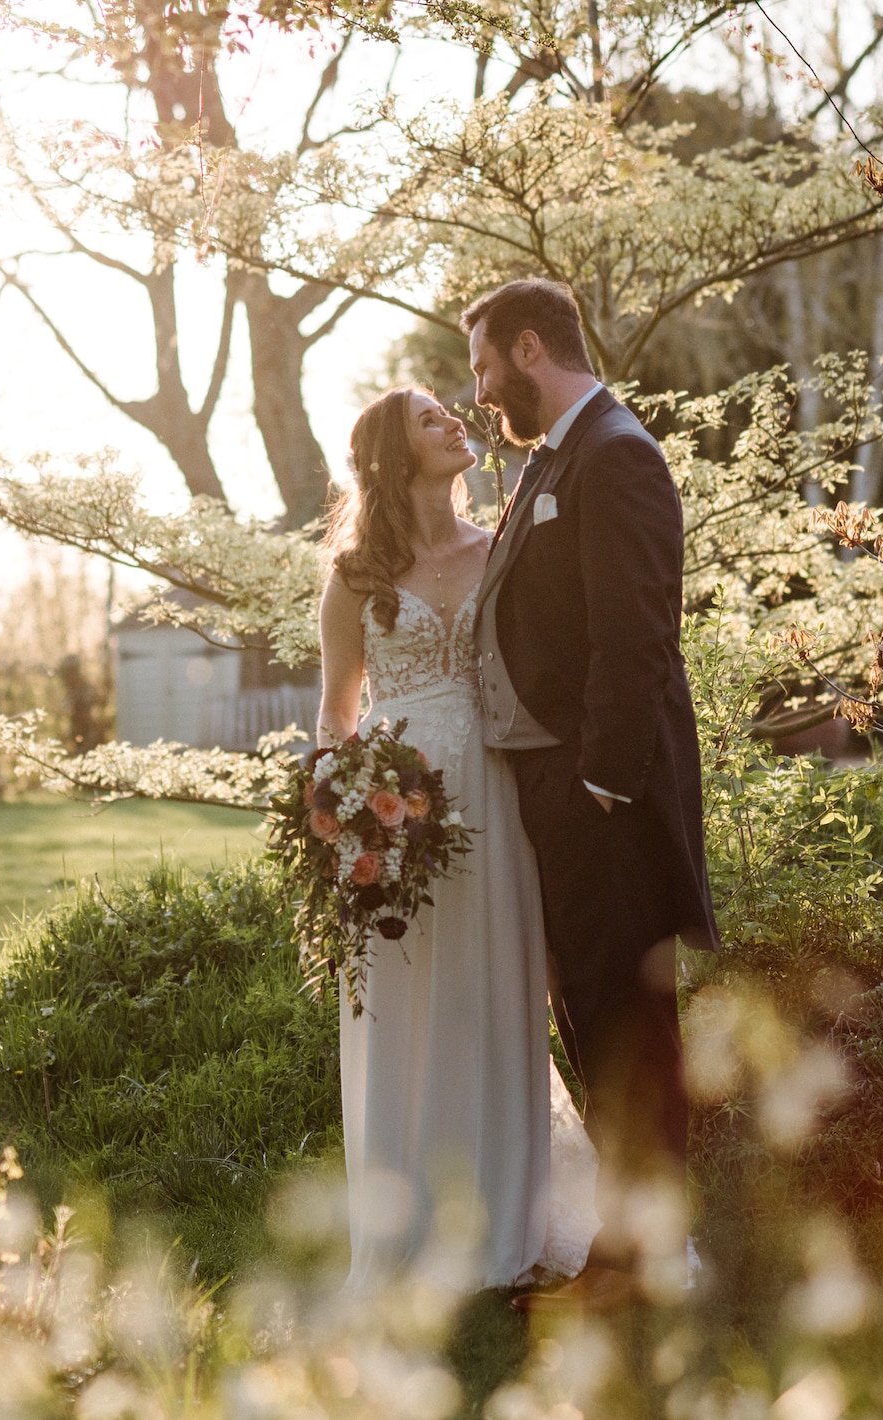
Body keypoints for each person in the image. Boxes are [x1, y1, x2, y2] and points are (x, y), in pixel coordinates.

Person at [464, 279, 718, 1313]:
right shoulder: (553, 458)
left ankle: (658, 1251)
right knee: (594, 1012)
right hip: (562, 798)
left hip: (605, 801)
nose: (478, 391)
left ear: (530, 350)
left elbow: (636, 638)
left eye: (483, 366)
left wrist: (601, 788)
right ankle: (632, 1239)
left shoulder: (615, 454)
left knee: (628, 1019)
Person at [317, 386, 599, 1293]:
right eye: (432, 419)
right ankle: (409, 1222)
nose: (457, 423)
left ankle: (508, 1215)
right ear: (396, 459)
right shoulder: (355, 573)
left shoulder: (501, 547)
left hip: (494, 783)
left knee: (495, 987)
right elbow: (336, 710)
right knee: (402, 1007)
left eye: (452, 410)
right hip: (395, 808)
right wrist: (347, 813)